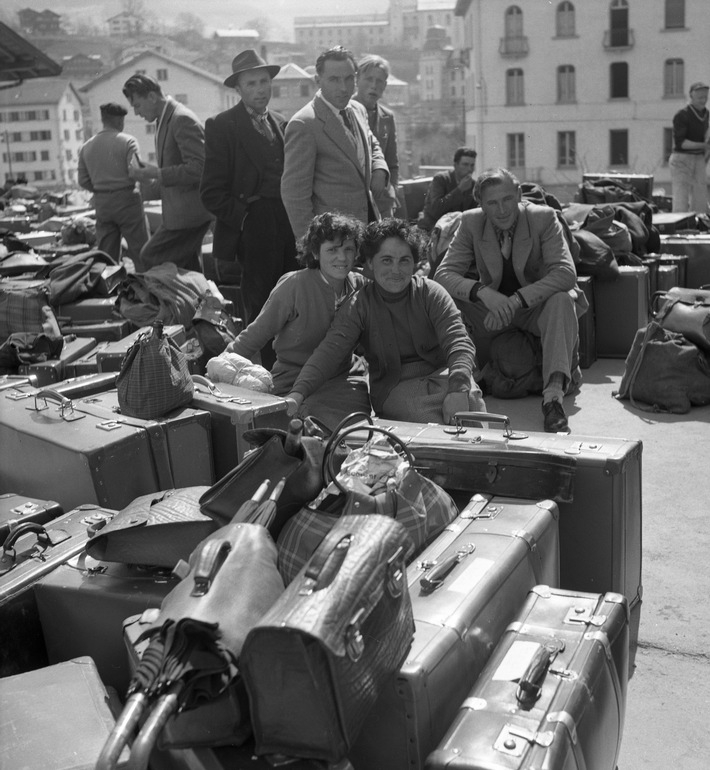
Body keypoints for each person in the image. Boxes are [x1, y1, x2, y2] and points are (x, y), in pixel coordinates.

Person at [285, 218, 486, 425]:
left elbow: (459, 342)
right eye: (387, 260)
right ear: (371, 262)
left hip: (442, 375)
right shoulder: (359, 305)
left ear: (415, 262)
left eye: (404, 260)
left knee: (471, 404)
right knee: (425, 419)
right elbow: (329, 352)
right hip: (395, 387)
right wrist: (297, 394)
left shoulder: (430, 292)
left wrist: (458, 390)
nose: (396, 270)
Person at [435, 168, 588, 434]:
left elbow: (565, 273)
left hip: (535, 311)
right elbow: (443, 274)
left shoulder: (543, 217)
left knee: (562, 300)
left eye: (507, 199)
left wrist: (516, 300)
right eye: (492, 203)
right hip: (492, 312)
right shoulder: (471, 222)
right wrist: (482, 293)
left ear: (518, 195)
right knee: (449, 302)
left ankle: (553, 399)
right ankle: (465, 382)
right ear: (481, 205)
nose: (502, 210)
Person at [225, 212, 370, 428]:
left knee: (346, 429)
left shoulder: (360, 286)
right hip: (290, 377)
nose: (342, 258)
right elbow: (256, 334)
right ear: (315, 252)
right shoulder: (294, 286)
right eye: (332, 250)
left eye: (348, 249)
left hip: (342, 379)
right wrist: (221, 368)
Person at [200, 49, 298, 368]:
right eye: (252, 83)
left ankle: (290, 366)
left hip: (286, 225)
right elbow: (211, 192)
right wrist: (245, 219)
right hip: (253, 228)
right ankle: (266, 373)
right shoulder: (222, 126)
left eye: (264, 81)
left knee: (292, 298)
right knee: (261, 306)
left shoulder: (283, 124)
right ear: (238, 90)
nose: (260, 89)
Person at [280, 46, 390, 240]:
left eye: (349, 79)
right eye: (334, 80)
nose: (343, 87)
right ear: (317, 81)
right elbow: (294, 196)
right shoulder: (304, 124)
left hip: (369, 228)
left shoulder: (357, 109)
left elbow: (372, 144)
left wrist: (380, 168)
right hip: (334, 241)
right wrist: (313, 248)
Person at [122, 74, 212, 272]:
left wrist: (157, 173)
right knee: (189, 271)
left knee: (150, 256)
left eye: (137, 105)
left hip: (188, 216)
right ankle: (202, 302)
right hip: (181, 214)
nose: (136, 113)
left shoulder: (181, 119)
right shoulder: (166, 119)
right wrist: (148, 174)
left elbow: (200, 168)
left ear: (153, 97)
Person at [77, 102, 149, 266]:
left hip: (103, 203)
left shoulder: (86, 146)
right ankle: (146, 284)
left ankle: (109, 287)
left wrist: (101, 189)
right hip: (127, 200)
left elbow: (82, 180)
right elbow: (135, 171)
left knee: (106, 254)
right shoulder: (128, 141)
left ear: (103, 120)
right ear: (119, 121)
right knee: (141, 250)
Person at [353, 54, 399, 217]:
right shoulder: (344, 111)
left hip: (381, 202)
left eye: (379, 81)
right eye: (369, 79)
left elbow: (392, 162)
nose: (374, 85)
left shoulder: (387, 117)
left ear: (385, 85)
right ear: (357, 80)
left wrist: (390, 190)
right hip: (353, 201)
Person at [669, 81, 710, 214]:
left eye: (705, 97)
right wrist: (704, 145)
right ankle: (680, 225)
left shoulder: (706, 113)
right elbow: (681, 143)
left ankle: (700, 223)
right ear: (691, 96)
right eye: (700, 97)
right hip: (682, 159)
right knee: (681, 195)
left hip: (698, 157)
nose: (703, 100)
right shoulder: (682, 115)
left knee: (700, 195)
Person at [419, 146, 478, 232]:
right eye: (465, 164)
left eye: (472, 165)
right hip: (432, 227)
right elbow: (436, 209)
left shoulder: (473, 185)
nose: (470, 169)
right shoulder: (441, 179)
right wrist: (460, 190)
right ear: (455, 165)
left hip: (456, 229)